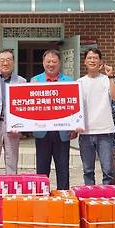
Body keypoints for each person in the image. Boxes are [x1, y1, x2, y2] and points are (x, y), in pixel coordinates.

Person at [30, 49, 74, 190]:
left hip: (62, 131)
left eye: (54, 61)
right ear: (43, 63)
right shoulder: (35, 81)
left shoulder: (68, 81)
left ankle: (63, 198)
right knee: (42, 168)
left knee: (63, 168)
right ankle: (42, 196)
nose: (51, 64)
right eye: (48, 61)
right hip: (42, 131)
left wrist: (74, 126)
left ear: (59, 63)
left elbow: (74, 106)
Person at [77, 48, 115, 185]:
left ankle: (108, 199)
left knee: (108, 170)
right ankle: (90, 198)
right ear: (85, 62)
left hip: (105, 131)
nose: (92, 60)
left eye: (95, 58)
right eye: (89, 58)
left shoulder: (107, 80)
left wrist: (111, 76)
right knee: (88, 170)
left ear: (100, 61)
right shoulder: (79, 82)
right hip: (86, 132)